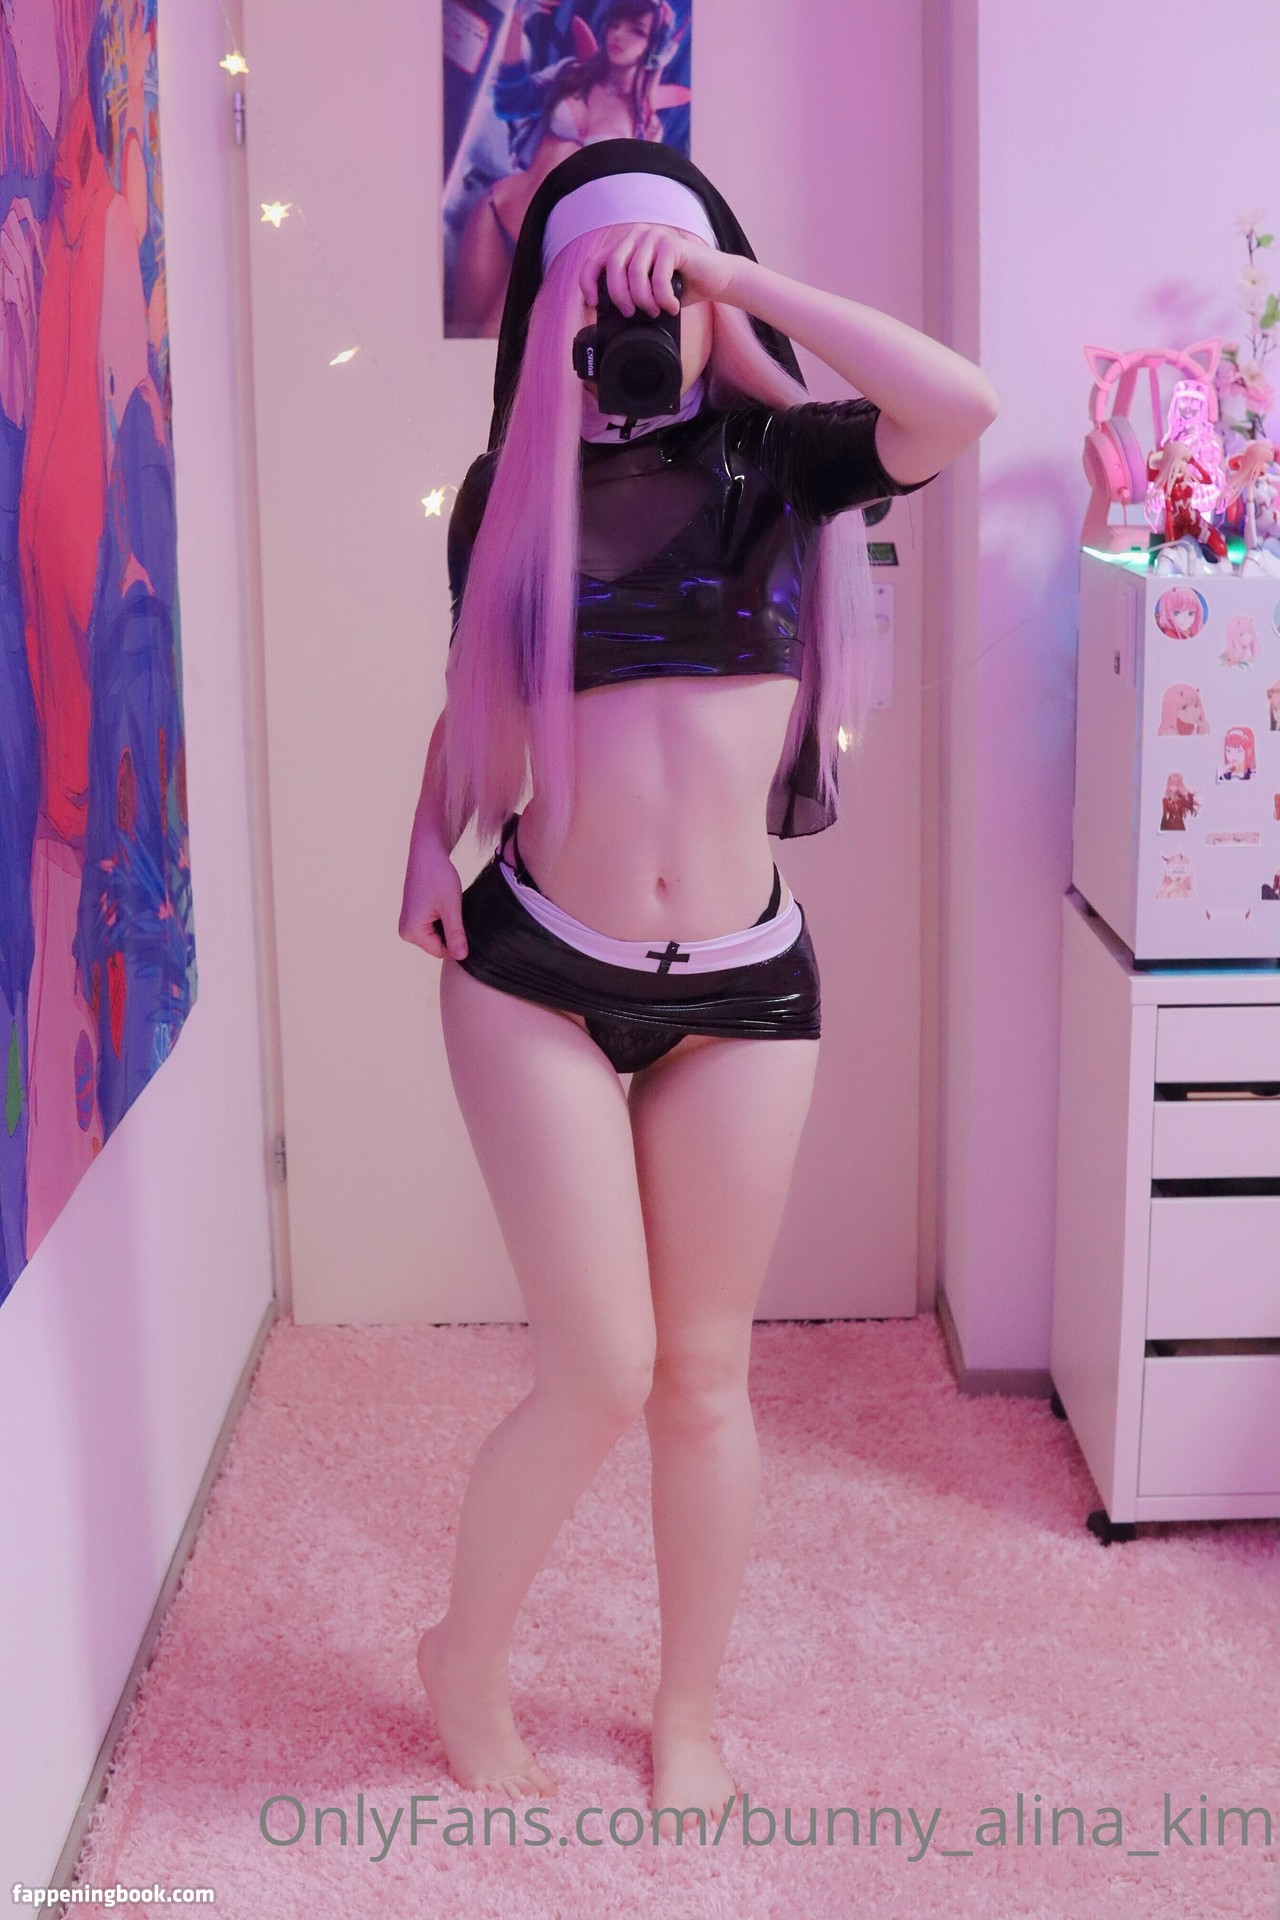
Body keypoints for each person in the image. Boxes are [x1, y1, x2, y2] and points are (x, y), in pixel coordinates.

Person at [400, 140, 998, 1840]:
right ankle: (463, 1658)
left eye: (664, 273)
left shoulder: (785, 464)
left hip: (741, 984)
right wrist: (423, 841)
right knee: (601, 1366)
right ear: (552, 313)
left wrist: (734, 287)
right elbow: (474, 694)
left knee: (706, 1378)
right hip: (534, 969)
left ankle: (686, 1713)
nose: (639, 310)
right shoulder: (503, 494)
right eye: (605, 282)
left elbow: (960, 404)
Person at [450, 0, 688, 336]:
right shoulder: (572, 73)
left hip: (561, 249)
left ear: (655, 49)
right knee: (462, 342)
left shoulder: (646, 128)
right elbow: (510, 103)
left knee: (500, 347)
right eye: (616, 24)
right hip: (500, 212)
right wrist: (517, 20)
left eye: (636, 31)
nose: (619, 35)